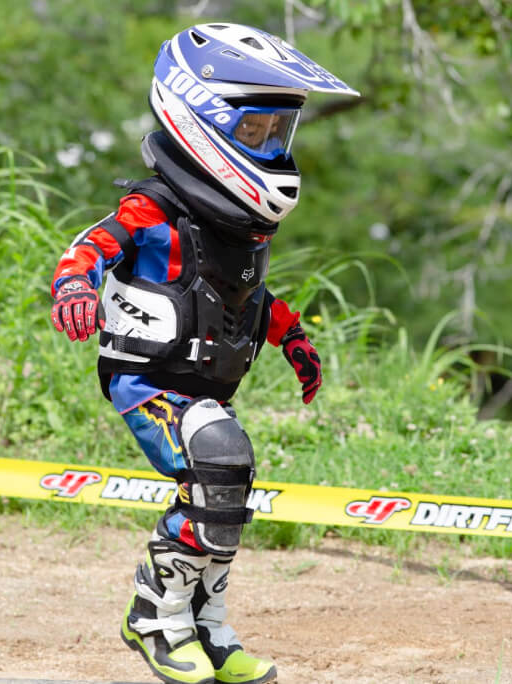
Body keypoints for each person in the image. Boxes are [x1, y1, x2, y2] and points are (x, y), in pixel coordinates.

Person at [50, 22, 359, 684]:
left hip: (202, 387)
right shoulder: (152, 209)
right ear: (202, 117)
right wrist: (74, 282)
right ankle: (155, 618)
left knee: (225, 495)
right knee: (219, 462)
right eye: (257, 132)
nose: (272, 146)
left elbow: (244, 295)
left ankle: (208, 629)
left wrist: (292, 336)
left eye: (280, 132)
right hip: (147, 381)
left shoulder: (233, 227)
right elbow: (91, 245)